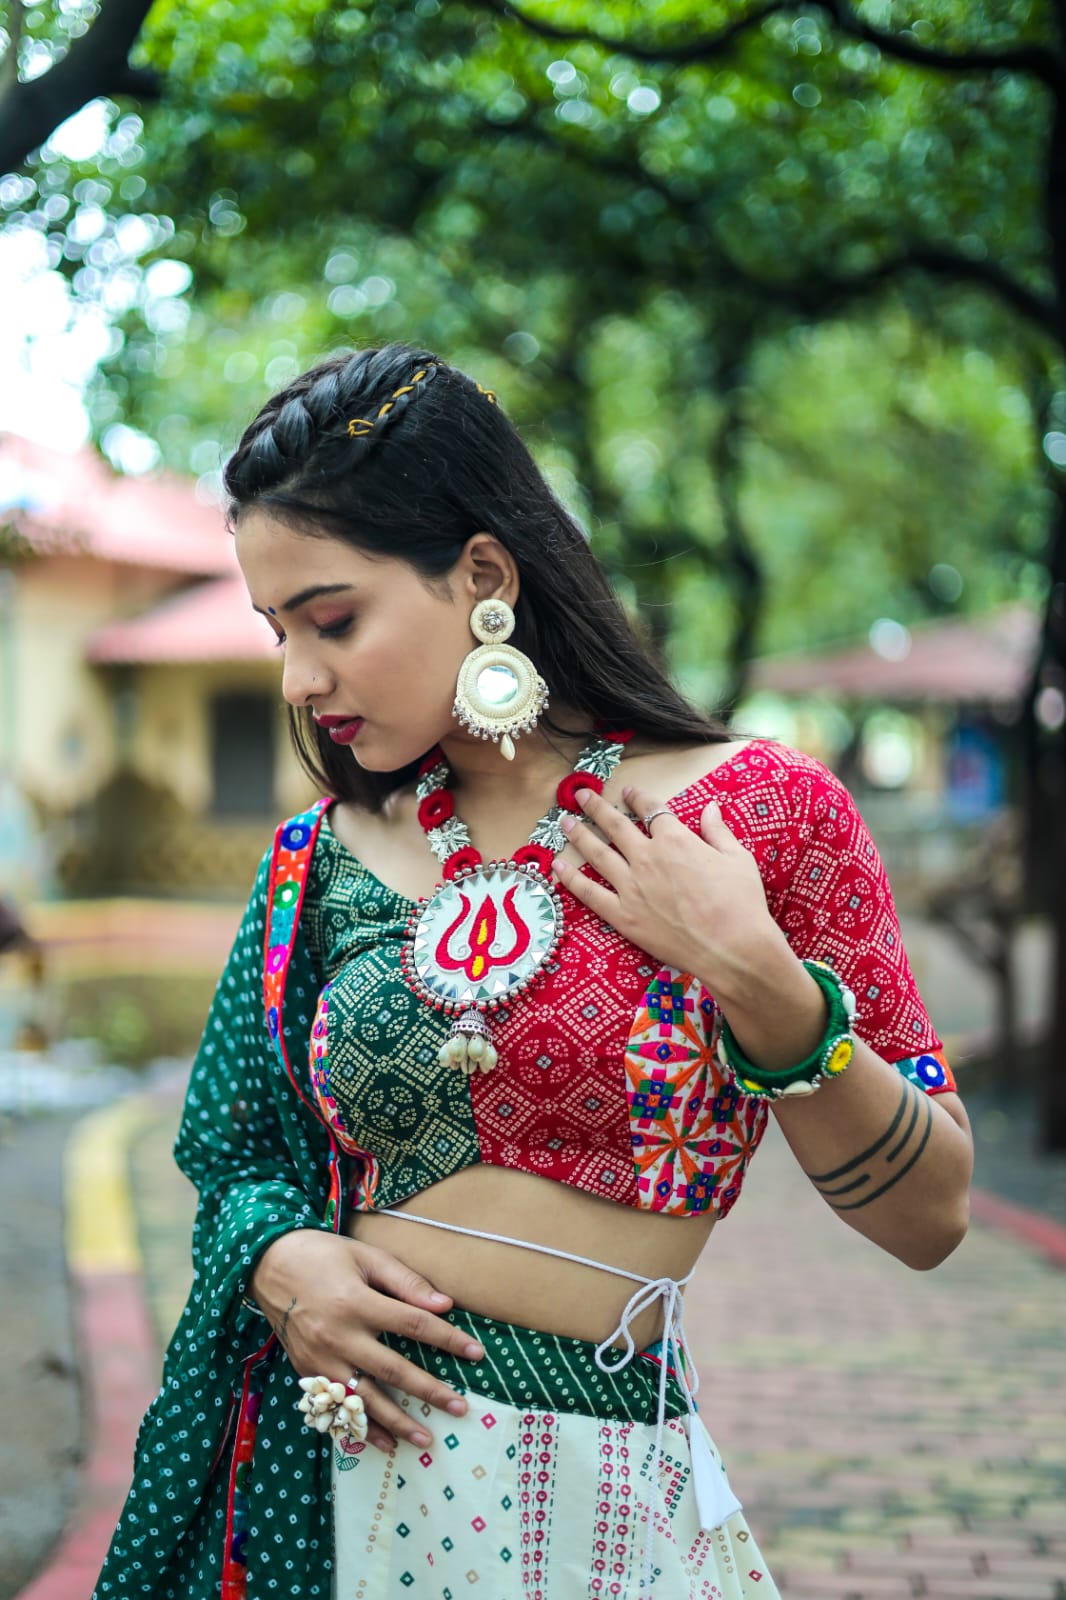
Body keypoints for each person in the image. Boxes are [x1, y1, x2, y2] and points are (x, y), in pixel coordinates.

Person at [94, 345, 973, 1600]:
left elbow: (931, 1216)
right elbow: (232, 1158)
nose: (299, 678)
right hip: (318, 1483)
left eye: (333, 619)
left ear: (484, 575)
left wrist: (758, 983)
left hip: (601, 1502)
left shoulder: (761, 818)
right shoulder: (315, 863)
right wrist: (282, 1268)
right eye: (278, 631)